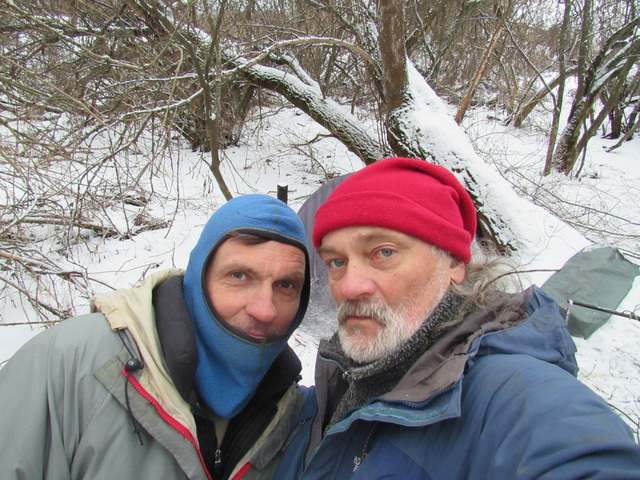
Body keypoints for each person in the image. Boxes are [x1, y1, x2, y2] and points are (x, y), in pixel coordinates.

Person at [277, 157, 640, 479]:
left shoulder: (514, 396)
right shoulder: (344, 380)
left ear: (454, 262)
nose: (348, 286)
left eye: (383, 253)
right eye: (337, 261)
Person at [0, 194, 311, 480]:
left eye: (286, 285)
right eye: (239, 276)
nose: (265, 310)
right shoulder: (68, 365)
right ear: (199, 277)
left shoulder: (297, 420)